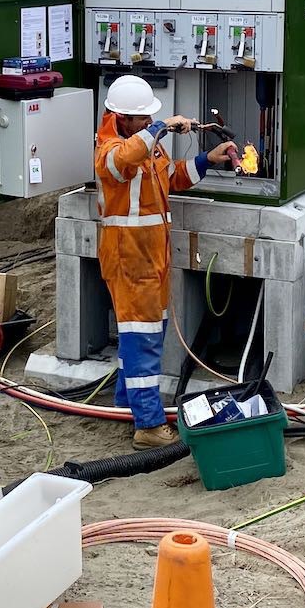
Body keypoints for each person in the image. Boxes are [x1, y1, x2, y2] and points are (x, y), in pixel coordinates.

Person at [95, 75, 240, 449]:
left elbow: (171, 177)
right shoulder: (109, 149)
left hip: (151, 258)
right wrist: (160, 128)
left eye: (149, 119)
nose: (146, 123)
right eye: (141, 119)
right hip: (129, 257)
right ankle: (148, 427)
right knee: (142, 340)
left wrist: (207, 159)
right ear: (121, 117)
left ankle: (127, 404)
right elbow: (124, 160)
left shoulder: (147, 147)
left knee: (143, 335)